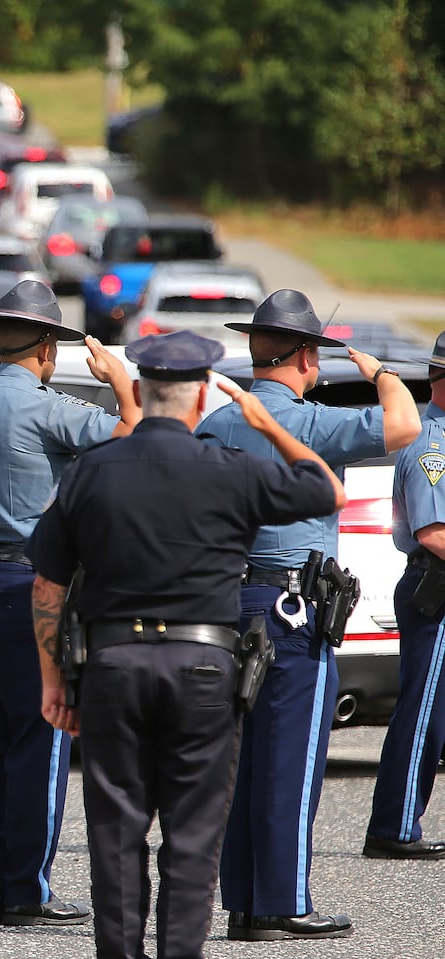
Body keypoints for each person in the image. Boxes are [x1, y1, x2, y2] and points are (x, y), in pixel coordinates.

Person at [28, 330, 346, 959]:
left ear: (142, 392)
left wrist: (53, 680)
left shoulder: (92, 470)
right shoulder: (231, 470)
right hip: (204, 670)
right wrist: (269, 425)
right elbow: (326, 492)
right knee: (194, 836)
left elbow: (48, 584)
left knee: (115, 834)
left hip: (112, 667)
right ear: (203, 396)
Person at [196, 289, 420, 941]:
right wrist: (377, 370)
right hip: (294, 608)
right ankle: (283, 903)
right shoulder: (310, 422)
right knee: (290, 759)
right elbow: (403, 422)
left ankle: (242, 901)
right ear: (304, 357)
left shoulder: (216, 423)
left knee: (237, 761)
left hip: (230, 602)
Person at [0, 278, 140, 927]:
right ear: (47, 346)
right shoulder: (45, 407)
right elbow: (133, 436)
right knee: (40, 732)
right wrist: (121, 379)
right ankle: (26, 888)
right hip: (28, 585)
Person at [364, 330, 445, 862]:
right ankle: (394, 826)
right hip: (435, 588)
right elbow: (432, 533)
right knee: (424, 714)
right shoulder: (431, 443)